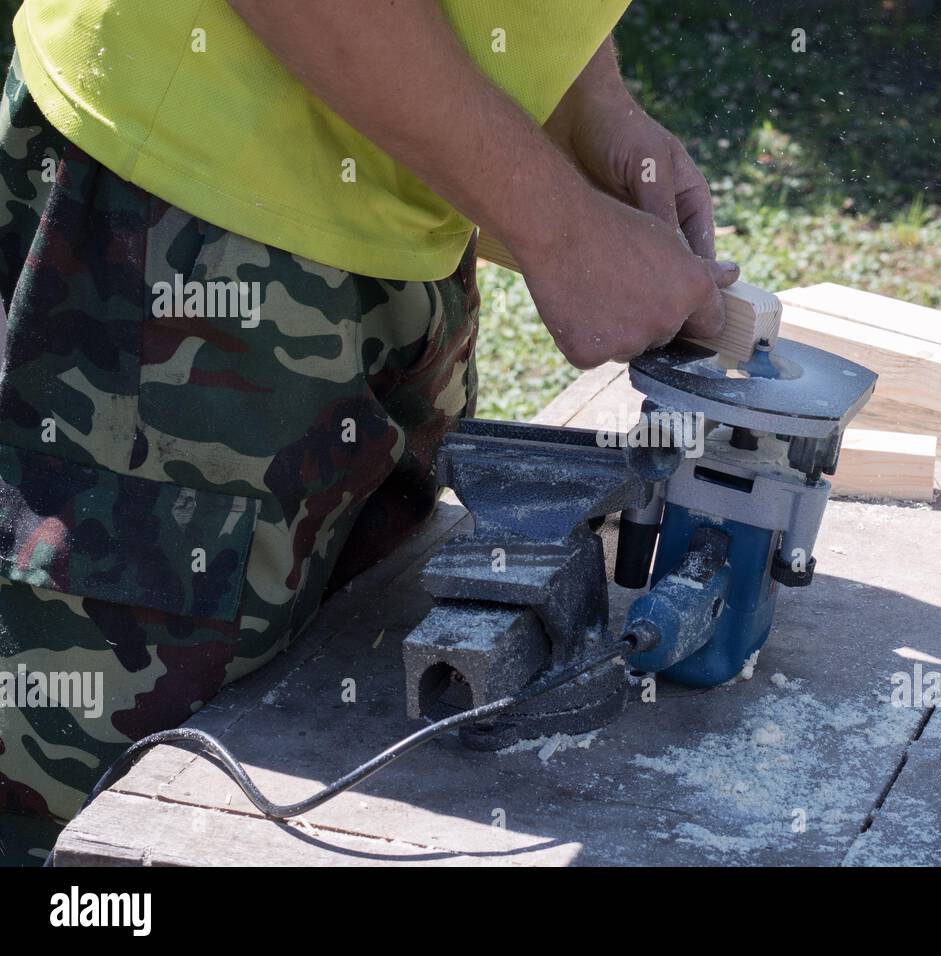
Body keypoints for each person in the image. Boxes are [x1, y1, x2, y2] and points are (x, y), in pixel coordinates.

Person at [0, 0, 736, 865]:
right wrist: (559, 224)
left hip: (391, 209)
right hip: (186, 216)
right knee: (93, 819)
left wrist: (588, 100)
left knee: (321, 718)